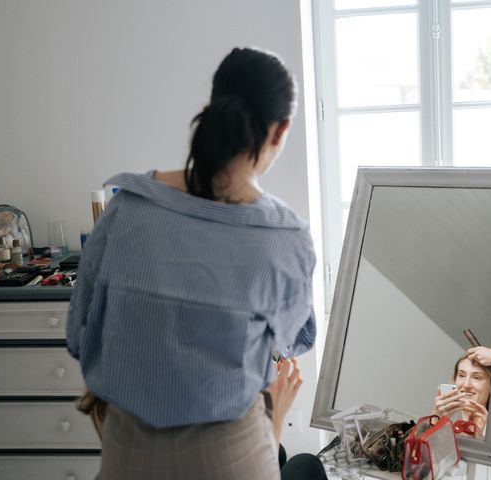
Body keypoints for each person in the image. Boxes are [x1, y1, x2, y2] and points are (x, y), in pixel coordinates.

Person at [66, 47, 316, 480]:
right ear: (281, 131)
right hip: (233, 459)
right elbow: (297, 338)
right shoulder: (285, 238)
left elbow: (80, 335)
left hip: (130, 454)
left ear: (210, 109)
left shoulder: (126, 209)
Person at [432, 348, 491, 437]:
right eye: (461, 375)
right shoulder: (443, 429)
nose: (466, 385)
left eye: (476, 377)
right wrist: (435, 418)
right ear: (454, 381)